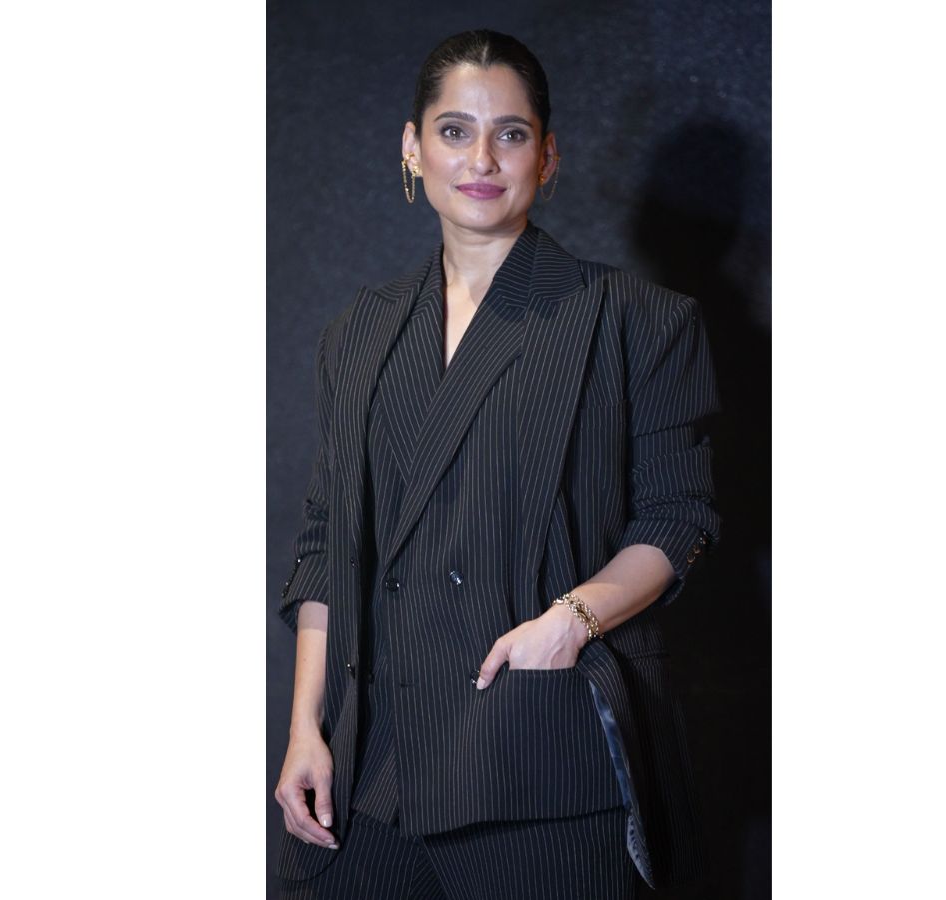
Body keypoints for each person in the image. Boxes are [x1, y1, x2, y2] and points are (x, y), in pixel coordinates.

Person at [273, 29, 720, 900]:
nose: (481, 159)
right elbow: (326, 545)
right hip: (370, 768)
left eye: (510, 134)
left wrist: (570, 622)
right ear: (412, 147)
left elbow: (678, 520)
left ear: (546, 156)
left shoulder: (636, 320)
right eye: (454, 131)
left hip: (537, 756)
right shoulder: (357, 332)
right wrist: (305, 731)